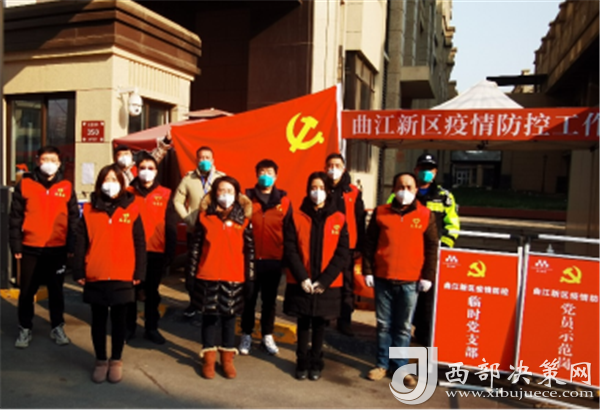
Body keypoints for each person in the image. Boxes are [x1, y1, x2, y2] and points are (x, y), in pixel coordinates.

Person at [73, 164, 146, 384]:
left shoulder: (132, 209)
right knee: (97, 320)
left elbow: (139, 243)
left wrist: (139, 271)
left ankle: (116, 360)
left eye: (115, 180)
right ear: (99, 183)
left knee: (119, 321)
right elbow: (80, 242)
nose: (110, 184)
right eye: (106, 180)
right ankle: (100, 361)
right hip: (96, 272)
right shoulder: (89, 210)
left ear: (122, 184)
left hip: (123, 273)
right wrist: (78, 269)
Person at [363, 172, 438, 385]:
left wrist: (428, 276)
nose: (404, 191)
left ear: (416, 190)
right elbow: (369, 244)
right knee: (384, 325)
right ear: (394, 189)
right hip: (383, 277)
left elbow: (432, 247)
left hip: (410, 280)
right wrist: (368, 271)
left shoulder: (425, 215)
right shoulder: (381, 213)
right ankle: (382, 364)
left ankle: (400, 368)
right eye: (400, 186)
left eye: (409, 187)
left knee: (403, 327)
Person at [9, 146, 80, 349]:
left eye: (53, 160)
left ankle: (57, 326)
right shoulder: (25, 185)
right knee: (27, 291)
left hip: (57, 248)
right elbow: (15, 218)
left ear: (59, 163)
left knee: (56, 291)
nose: (49, 164)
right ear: (38, 161)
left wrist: (72, 245)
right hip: (30, 247)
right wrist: (16, 245)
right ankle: (24, 327)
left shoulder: (66, 186)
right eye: (45, 159)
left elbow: (74, 219)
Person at [386, 153, 460, 346]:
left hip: (430, 260)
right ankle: (398, 355)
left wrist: (442, 248)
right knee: (402, 308)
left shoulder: (445, 197)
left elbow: (453, 226)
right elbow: (387, 221)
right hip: (404, 259)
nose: (426, 172)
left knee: (427, 308)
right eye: (422, 168)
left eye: (430, 169)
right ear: (415, 170)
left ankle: (423, 350)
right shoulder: (401, 193)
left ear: (435, 172)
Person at [283, 172, 350, 381]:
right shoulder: (296, 216)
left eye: (321, 188)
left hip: (326, 283)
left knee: (321, 323)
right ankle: (302, 361)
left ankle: (316, 361)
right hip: (301, 280)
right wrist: (302, 277)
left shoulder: (339, 218)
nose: (317, 192)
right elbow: (290, 249)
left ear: (328, 191)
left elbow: (342, 253)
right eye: (313, 187)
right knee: (303, 321)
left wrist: (325, 280)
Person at [188, 176, 254, 380]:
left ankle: (227, 359)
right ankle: (208, 358)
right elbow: (195, 248)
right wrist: (190, 274)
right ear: (214, 193)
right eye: (221, 191)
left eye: (230, 191)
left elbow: (250, 252)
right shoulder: (204, 217)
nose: (225, 195)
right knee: (209, 318)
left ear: (237, 195)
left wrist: (250, 278)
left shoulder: (244, 220)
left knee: (229, 318)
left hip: (234, 275)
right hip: (207, 274)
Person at [239, 159, 292, 356]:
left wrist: (285, 260)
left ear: (276, 176)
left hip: (273, 259)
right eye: (262, 172)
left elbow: (289, 231)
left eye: (269, 172)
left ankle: (267, 335)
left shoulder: (284, 202)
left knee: (269, 301)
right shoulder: (246, 199)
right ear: (256, 175)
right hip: (250, 259)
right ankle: (246, 334)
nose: (265, 176)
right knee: (249, 298)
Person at [125, 152, 177, 345]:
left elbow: (170, 224)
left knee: (152, 293)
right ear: (136, 170)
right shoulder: (128, 192)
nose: (146, 171)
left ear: (156, 171)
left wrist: (169, 252)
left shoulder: (165, 193)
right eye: (142, 168)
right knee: (130, 292)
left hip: (156, 251)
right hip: (131, 250)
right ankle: (129, 327)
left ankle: (151, 328)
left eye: (151, 168)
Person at [173, 146, 226, 318]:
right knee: (193, 268)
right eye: (201, 157)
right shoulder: (188, 179)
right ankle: (194, 303)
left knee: (215, 267)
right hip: (195, 231)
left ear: (213, 160)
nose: (204, 160)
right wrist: (188, 219)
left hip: (216, 232)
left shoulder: (221, 178)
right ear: (196, 160)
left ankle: (215, 302)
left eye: (207, 157)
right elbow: (177, 201)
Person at [325, 153, 366, 337]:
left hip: (348, 246)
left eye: (337, 165)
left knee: (347, 285)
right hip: (326, 244)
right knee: (326, 280)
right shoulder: (321, 188)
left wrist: (360, 246)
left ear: (344, 168)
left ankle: (345, 320)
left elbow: (360, 218)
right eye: (330, 165)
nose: (333, 169)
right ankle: (325, 316)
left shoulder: (353, 192)